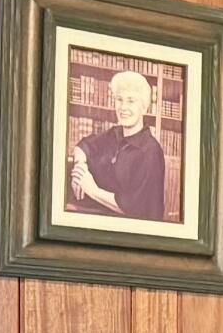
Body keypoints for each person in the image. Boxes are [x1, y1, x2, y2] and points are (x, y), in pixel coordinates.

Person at [69, 66, 169, 221]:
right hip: (97, 215)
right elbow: (83, 146)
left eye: (131, 101)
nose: (123, 107)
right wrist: (79, 167)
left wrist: (91, 189)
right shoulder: (114, 134)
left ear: (144, 107)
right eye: (119, 100)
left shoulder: (151, 151)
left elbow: (133, 208)